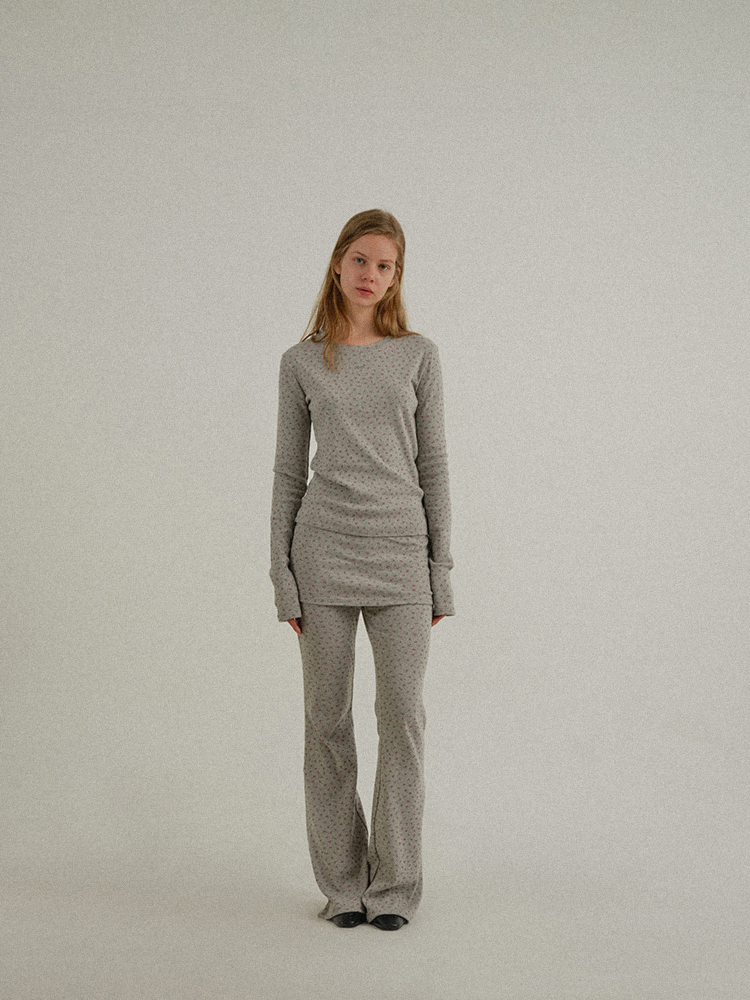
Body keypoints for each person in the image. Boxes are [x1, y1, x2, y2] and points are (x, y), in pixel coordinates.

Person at [269, 208, 455, 931]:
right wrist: (282, 577)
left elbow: (434, 466)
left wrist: (441, 571)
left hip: (402, 556)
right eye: (360, 260)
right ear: (338, 264)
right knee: (327, 720)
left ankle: (395, 887)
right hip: (323, 554)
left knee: (402, 719)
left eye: (385, 265)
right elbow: (288, 473)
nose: (371, 275)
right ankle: (343, 885)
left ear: (397, 277)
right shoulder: (301, 361)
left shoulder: (419, 356)